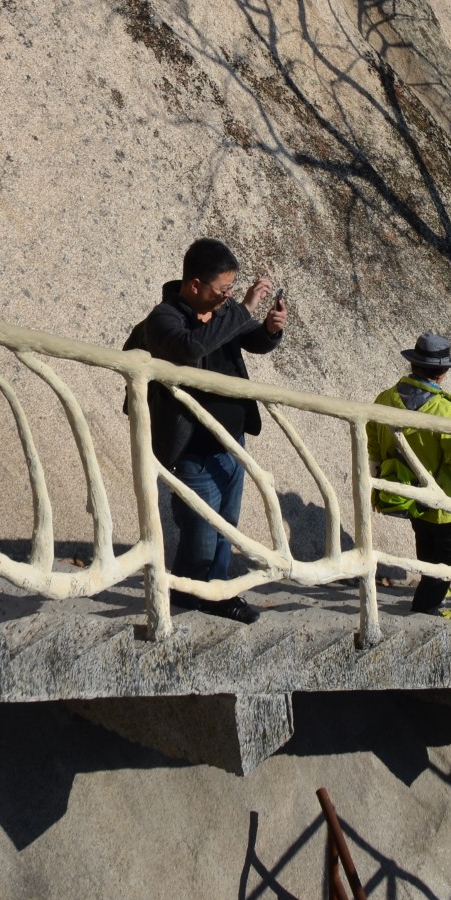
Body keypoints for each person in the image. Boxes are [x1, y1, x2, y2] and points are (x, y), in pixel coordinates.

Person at [126, 237, 286, 624]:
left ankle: (193, 588)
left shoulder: (223, 309)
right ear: (194, 284)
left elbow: (251, 340)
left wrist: (268, 327)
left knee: (225, 523)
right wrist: (242, 309)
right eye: (221, 290)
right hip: (193, 447)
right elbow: (189, 350)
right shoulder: (163, 319)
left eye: (230, 290)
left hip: (232, 441)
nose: (226, 297)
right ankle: (214, 593)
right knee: (201, 527)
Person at [368, 334, 451, 616]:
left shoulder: (385, 398)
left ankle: (434, 591)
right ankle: (427, 605)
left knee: (426, 545)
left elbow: (372, 441)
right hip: (444, 502)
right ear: (444, 373)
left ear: (413, 364)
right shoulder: (443, 409)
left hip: (408, 494)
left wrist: (376, 477)